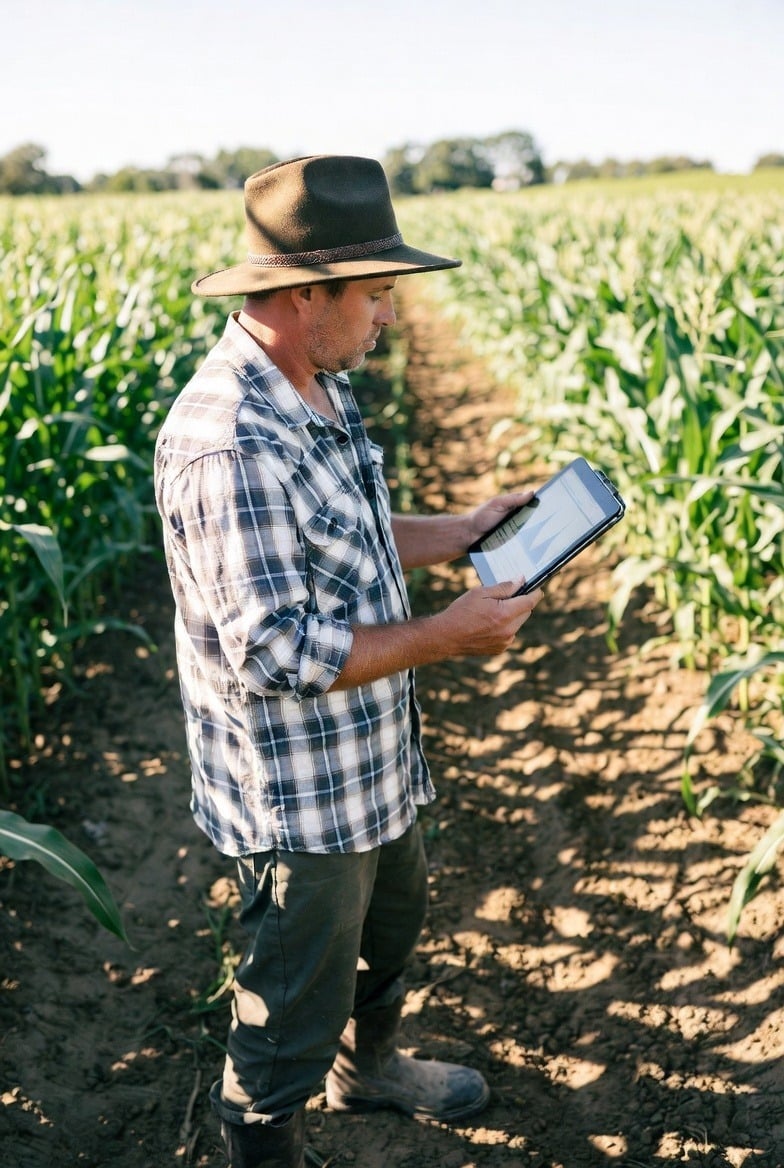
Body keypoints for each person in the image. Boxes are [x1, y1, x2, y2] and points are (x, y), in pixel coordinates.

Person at [154, 154, 542, 1168]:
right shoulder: (230, 440)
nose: (385, 317)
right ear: (302, 292)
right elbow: (275, 649)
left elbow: (360, 531)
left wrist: (462, 528)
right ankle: (264, 1140)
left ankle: (369, 1067)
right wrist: (445, 634)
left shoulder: (317, 383)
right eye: (373, 295)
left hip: (372, 760)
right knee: (289, 1003)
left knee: (390, 938)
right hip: (299, 799)